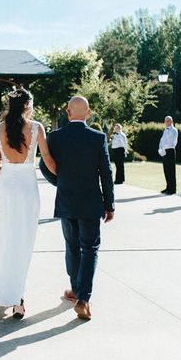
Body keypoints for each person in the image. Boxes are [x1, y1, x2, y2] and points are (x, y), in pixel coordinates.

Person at [39, 96, 115, 320]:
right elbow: (106, 173)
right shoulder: (98, 137)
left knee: (72, 246)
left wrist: (60, 183)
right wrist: (109, 204)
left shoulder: (56, 137)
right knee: (89, 248)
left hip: (66, 200)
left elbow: (45, 165)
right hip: (91, 202)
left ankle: (76, 289)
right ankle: (82, 298)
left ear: (68, 112)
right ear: (88, 113)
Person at [0, 89, 56, 319]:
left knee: (5, 239)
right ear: (27, 105)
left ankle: (9, 289)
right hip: (26, 187)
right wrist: (64, 179)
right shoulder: (36, 128)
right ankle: (17, 297)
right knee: (22, 241)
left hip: (5, 186)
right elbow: (48, 160)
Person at [158, 116, 178, 195]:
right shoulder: (165, 130)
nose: (167, 122)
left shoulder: (174, 130)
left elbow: (171, 142)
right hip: (164, 151)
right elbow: (162, 140)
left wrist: (164, 148)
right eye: (166, 121)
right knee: (166, 169)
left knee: (171, 170)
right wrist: (160, 149)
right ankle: (168, 187)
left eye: (168, 121)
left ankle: (172, 189)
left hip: (170, 151)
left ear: (171, 121)